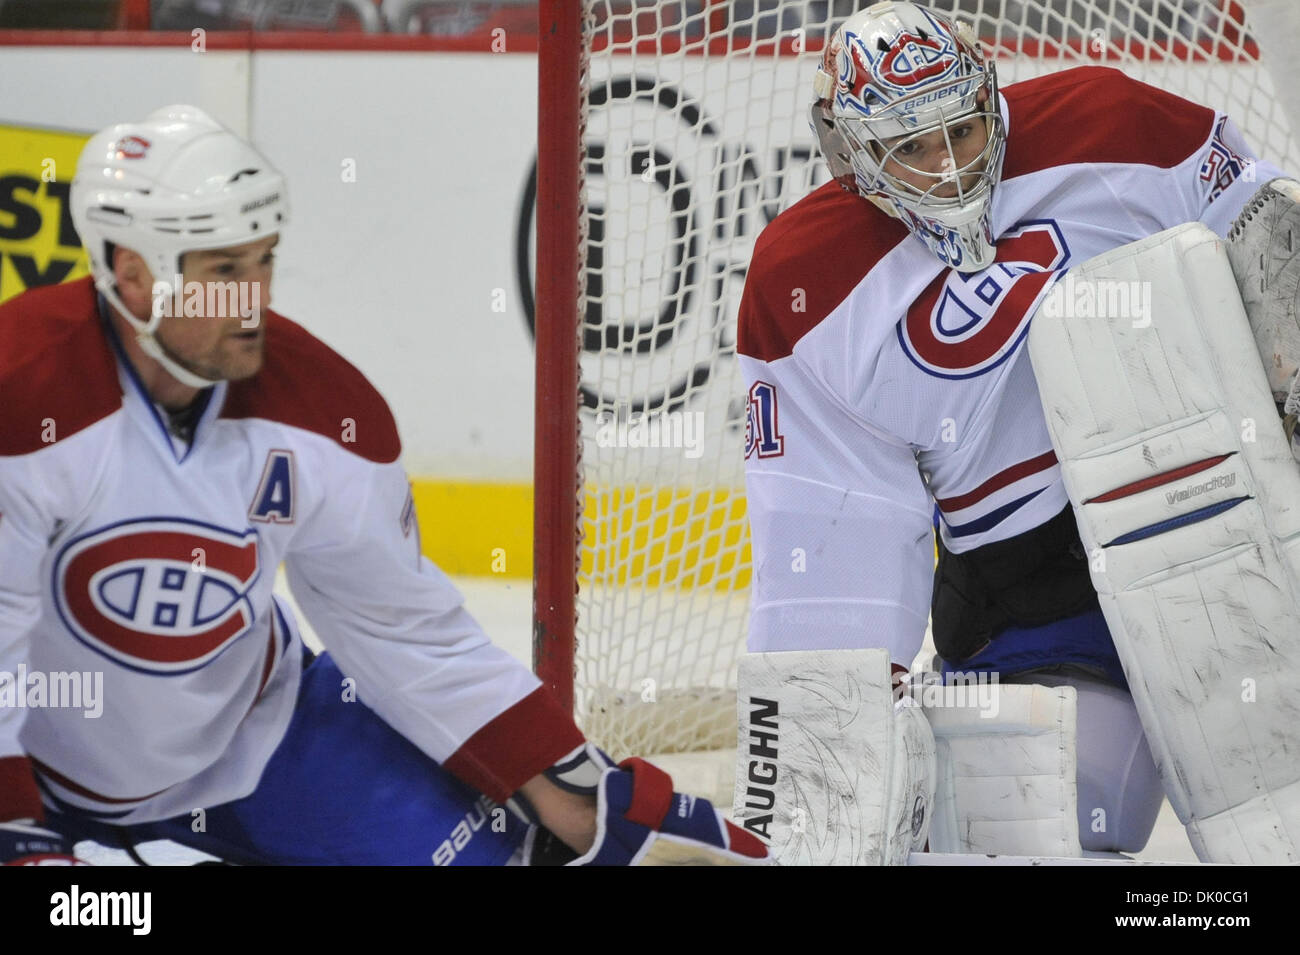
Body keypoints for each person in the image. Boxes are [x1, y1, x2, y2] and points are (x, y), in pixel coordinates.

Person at [0, 105, 767, 867]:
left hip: (260, 737)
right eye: (224, 272)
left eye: (264, 260)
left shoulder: (325, 414)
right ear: (132, 276)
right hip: (35, 769)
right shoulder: (20, 396)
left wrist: (570, 780)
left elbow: (407, 634)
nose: (255, 300)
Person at [737, 0, 1291, 855]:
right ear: (852, 152)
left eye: (960, 129)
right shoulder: (804, 288)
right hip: (1030, 606)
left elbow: (1265, 231)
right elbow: (829, 540)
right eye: (911, 147)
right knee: (1026, 845)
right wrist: (830, 773)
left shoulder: (1110, 124)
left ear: (990, 96)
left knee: (1276, 828)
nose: (951, 168)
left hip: (1232, 544)